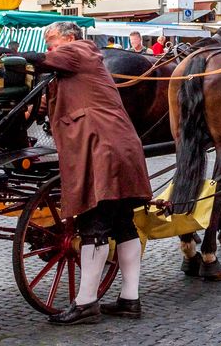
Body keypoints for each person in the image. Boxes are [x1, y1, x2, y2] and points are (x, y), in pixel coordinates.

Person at [27, 21, 151, 325]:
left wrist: (6, 54)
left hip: (103, 151)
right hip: (116, 148)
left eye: (52, 41)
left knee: (93, 224)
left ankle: (86, 304)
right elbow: (50, 106)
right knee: (123, 224)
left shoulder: (81, 50)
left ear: (70, 38)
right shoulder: (75, 69)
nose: (49, 48)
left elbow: (43, 60)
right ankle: (129, 300)